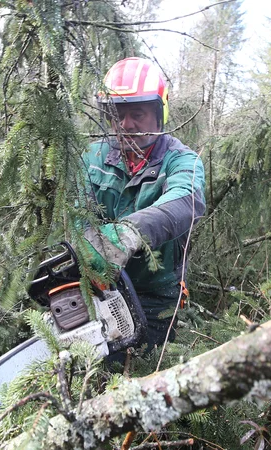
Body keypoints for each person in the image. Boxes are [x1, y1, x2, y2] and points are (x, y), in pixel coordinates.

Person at [81, 57, 206, 351]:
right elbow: (74, 206)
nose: (126, 124)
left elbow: (186, 200)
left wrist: (128, 233)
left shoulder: (181, 160)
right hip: (100, 287)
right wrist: (84, 245)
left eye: (137, 113)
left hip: (155, 294)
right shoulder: (91, 157)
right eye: (118, 114)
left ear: (158, 113)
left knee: (143, 365)